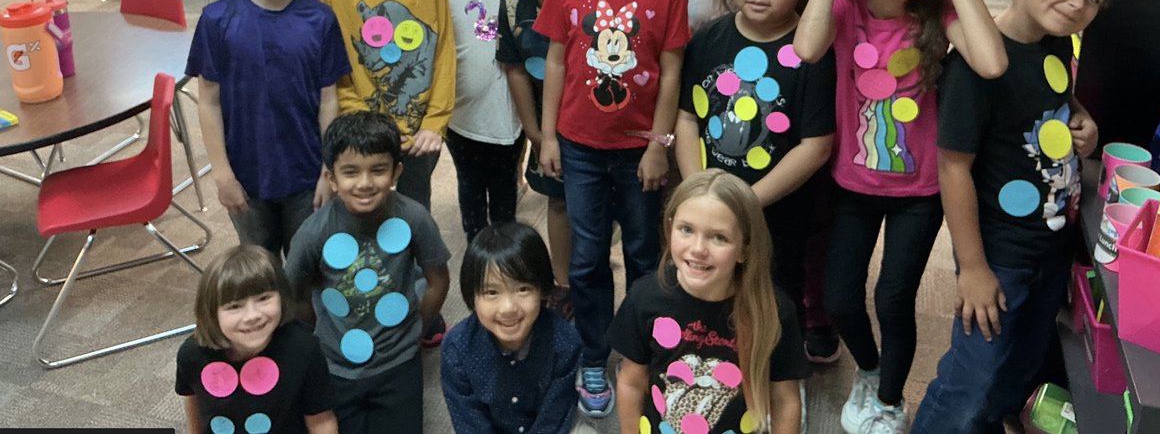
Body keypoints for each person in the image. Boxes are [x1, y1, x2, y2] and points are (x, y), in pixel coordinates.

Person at [792, 0, 1007, 434]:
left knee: (893, 297)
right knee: (841, 297)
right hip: (853, 185)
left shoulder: (939, 16)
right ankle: (870, 369)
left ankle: (889, 399)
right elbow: (805, 46)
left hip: (921, 191)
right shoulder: (847, 9)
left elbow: (992, 62)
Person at [911, 0, 1116, 434]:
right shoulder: (977, 67)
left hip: (1051, 246)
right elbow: (953, 168)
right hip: (999, 255)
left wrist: (1081, 117)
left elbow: (1054, 95)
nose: (1076, 3)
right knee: (970, 381)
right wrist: (973, 269)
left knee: (1018, 367)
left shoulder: (1057, 43)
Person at [534, 0, 691, 417]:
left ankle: (640, 354)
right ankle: (595, 355)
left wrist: (659, 144)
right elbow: (556, 59)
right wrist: (548, 135)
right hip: (578, 146)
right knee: (586, 259)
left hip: (639, 151)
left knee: (648, 254)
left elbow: (671, 71)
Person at [675, 0, 836, 365]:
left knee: (775, 297)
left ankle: (783, 381)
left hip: (777, 212)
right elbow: (687, 117)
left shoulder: (813, 51)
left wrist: (745, 200)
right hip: (708, 204)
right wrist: (700, 192)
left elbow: (816, 144)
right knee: (706, 284)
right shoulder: (710, 35)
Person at [188, 0, 350, 257]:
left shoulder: (320, 20)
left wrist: (329, 168)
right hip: (246, 174)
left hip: (307, 173)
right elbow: (209, 102)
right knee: (260, 266)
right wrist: (221, 173)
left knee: (307, 266)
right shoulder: (216, 20)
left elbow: (329, 100)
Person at [284, 111, 451, 434]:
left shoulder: (415, 218)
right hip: (335, 365)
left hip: (399, 362)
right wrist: (323, 333)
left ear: (396, 171)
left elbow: (438, 280)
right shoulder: (313, 231)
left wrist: (416, 328)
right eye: (350, 172)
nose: (364, 183)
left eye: (378, 170)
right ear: (331, 178)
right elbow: (295, 294)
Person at [609, 169, 808, 434]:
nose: (699, 249)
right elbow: (632, 383)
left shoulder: (774, 311)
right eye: (687, 230)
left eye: (719, 237)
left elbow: (784, 400)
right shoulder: (644, 297)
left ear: (744, 248)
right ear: (670, 229)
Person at [312, 0, 455, 214]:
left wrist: (436, 122)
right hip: (358, 132)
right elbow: (328, 69)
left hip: (420, 136)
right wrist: (358, 126)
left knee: (412, 214)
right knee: (361, 216)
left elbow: (443, 51)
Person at [792, 0, 865, 363]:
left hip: (850, 121)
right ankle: (788, 304)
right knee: (792, 220)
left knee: (826, 225)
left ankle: (818, 312)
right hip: (792, 116)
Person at [495, 0, 581, 318]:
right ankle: (563, 282)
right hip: (550, 127)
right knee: (559, 201)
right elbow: (513, 69)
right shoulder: (512, 4)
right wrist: (535, 132)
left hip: (597, 121)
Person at [439, 0, 526, 244]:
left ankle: (505, 256)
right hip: (462, 116)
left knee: (505, 192)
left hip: (512, 114)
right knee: (470, 187)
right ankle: (477, 252)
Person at [176, 244, 337, 434]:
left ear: (282, 296)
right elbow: (193, 404)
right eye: (235, 306)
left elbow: (320, 420)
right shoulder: (192, 354)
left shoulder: (304, 349)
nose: (252, 315)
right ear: (211, 312)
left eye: (263, 298)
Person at [441, 222, 583, 434]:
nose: (508, 308)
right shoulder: (457, 348)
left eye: (523, 289)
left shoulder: (565, 342)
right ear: (472, 295)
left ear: (543, 289)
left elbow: (554, 418)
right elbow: (469, 423)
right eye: (491, 292)